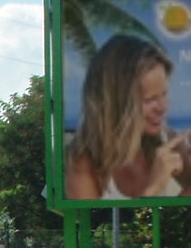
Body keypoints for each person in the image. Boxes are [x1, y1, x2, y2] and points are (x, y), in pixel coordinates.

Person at [65, 34, 183, 199]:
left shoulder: (170, 142)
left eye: (164, 94)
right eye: (150, 99)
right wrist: (154, 188)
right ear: (116, 104)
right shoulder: (84, 164)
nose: (163, 107)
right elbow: (93, 224)